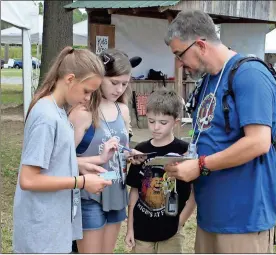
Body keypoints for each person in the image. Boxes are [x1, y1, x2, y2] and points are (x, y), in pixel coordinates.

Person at [164, 10, 276, 253]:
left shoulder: (250, 75)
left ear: (201, 45)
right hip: (212, 217)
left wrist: (200, 165)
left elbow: (259, 142)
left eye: (179, 54)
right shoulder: (208, 80)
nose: (179, 63)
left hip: (242, 220)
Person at [12, 46, 113, 253]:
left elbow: (52, 162)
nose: (87, 98)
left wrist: (82, 166)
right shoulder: (46, 118)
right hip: (41, 233)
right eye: (87, 91)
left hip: (53, 227)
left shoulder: (57, 112)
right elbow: (29, 179)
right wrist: (82, 182)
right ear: (70, 79)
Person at [68, 49, 143, 253]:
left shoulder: (123, 110)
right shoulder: (82, 113)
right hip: (89, 194)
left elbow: (120, 150)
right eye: (114, 82)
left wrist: (131, 154)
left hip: (116, 191)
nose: (119, 89)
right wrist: (98, 158)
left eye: (124, 84)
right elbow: (64, 160)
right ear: (100, 78)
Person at [125, 89, 196, 253]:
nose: (156, 127)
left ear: (175, 122)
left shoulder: (185, 151)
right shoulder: (141, 150)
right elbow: (134, 190)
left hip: (172, 231)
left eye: (163, 123)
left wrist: (180, 222)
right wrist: (130, 228)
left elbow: (194, 192)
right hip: (141, 230)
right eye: (151, 121)